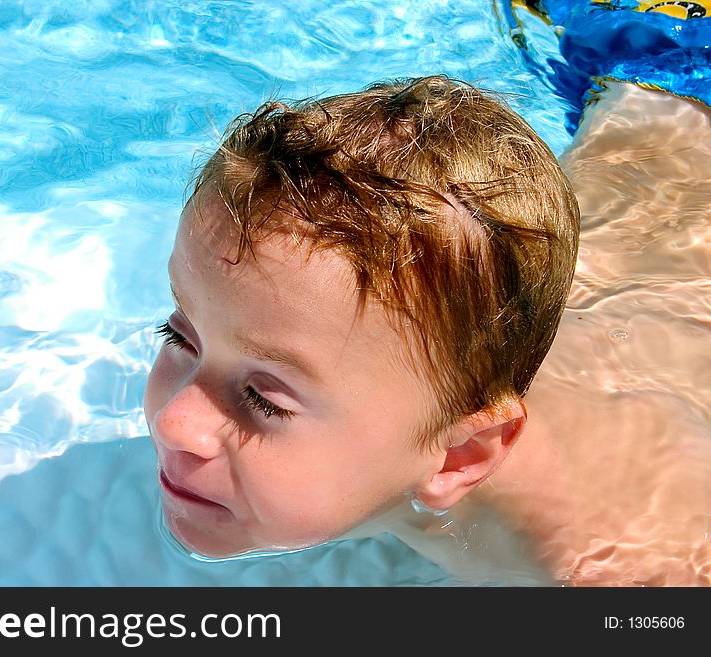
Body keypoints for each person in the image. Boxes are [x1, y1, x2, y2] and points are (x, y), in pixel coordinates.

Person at [143, 6, 711, 584]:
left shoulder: (623, 570)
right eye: (180, 337)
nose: (174, 421)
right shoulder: (391, 398)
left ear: (460, 457)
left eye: (264, 399)